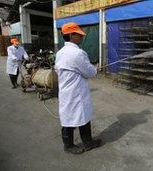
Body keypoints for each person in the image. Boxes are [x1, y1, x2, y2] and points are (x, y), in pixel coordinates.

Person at [55, 22, 102, 154]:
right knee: (80, 116)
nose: (81, 37)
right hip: (76, 92)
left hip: (66, 90)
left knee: (69, 117)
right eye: (79, 35)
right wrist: (95, 69)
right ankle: (72, 146)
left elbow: (59, 70)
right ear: (71, 35)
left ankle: (84, 143)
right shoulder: (78, 53)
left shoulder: (60, 53)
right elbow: (89, 72)